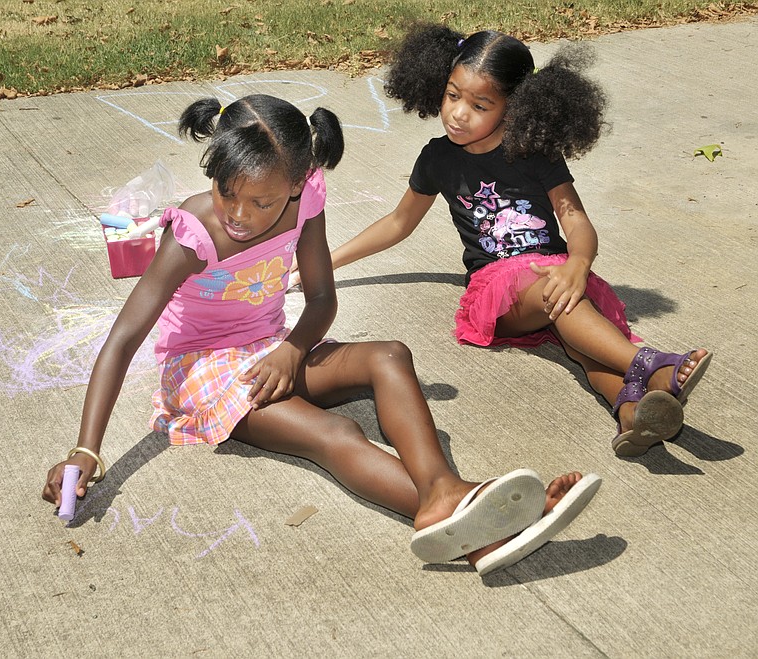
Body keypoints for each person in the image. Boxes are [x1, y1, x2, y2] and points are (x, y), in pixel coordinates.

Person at [42, 93, 601, 577]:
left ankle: (444, 498)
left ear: (295, 184)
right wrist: (86, 447)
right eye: (225, 191)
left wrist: (291, 349)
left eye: (261, 201)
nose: (239, 213)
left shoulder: (306, 200)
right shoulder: (193, 233)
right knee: (334, 433)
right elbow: (122, 340)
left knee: (389, 355)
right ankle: (481, 519)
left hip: (273, 347)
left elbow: (322, 300)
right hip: (202, 369)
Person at [316, 24, 712, 457]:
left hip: (555, 272)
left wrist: (579, 263)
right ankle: (650, 362)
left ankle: (632, 410)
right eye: (452, 95)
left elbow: (575, 220)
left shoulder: (534, 151)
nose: (458, 114)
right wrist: (325, 265)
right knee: (559, 299)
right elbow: (398, 222)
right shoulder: (438, 158)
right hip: (497, 291)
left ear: (515, 107)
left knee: (583, 346)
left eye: (479, 104)